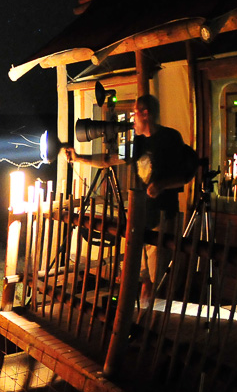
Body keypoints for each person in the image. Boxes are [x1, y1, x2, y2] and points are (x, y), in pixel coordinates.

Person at [64, 94, 195, 308]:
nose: (132, 118)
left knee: (158, 278)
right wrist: (79, 157)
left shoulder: (170, 138)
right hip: (141, 217)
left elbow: (187, 174)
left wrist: (162, 185)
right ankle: (141, 319)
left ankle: (155, 323)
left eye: (135, 113)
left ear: (146, 114)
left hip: (164, 217)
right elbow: (109, 160)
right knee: (142, 277)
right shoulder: (136, 142)